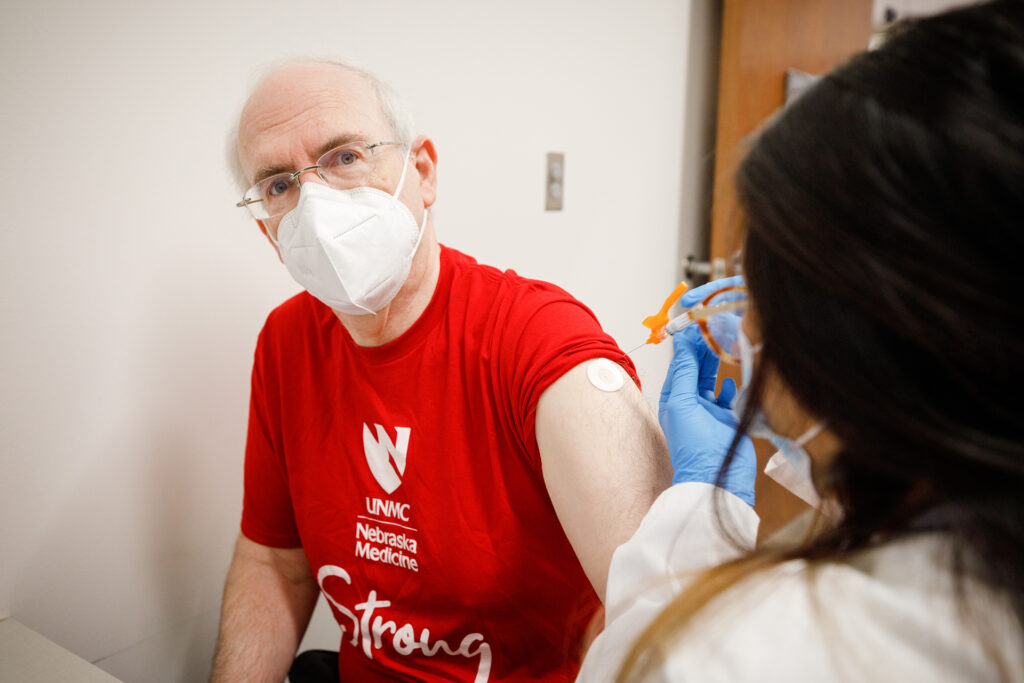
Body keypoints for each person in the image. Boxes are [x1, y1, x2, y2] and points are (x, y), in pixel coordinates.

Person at [579, 2, 1024, 680]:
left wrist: (700, 499)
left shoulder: (766, 648)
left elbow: (642, 663)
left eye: (755, 282)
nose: (744, 320)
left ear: (852, 332)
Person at [210, 60, 671, 682]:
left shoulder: (540, 344)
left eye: (344, 157)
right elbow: (275, 563)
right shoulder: (286, 345)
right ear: (268, 231)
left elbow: (659, 617)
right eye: (279, 182)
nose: (315, 202)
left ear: (421, 172)